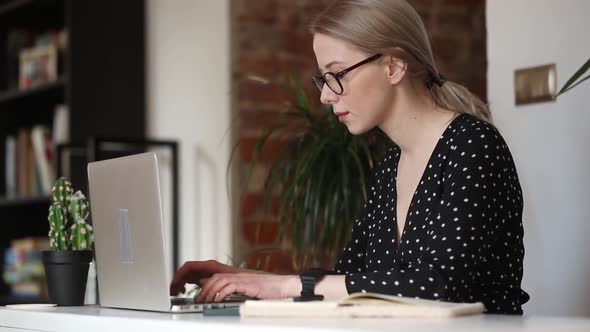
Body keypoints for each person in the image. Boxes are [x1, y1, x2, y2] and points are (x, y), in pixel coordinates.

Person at [170, 0, 530, 314]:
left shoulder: (474, 146)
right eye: (323, 78)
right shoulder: (390, 167)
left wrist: (282, 287)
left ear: (393, 67)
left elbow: (436, 288)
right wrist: (248, 280)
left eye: (337, 74)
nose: (326, 95)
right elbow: (350, 283)